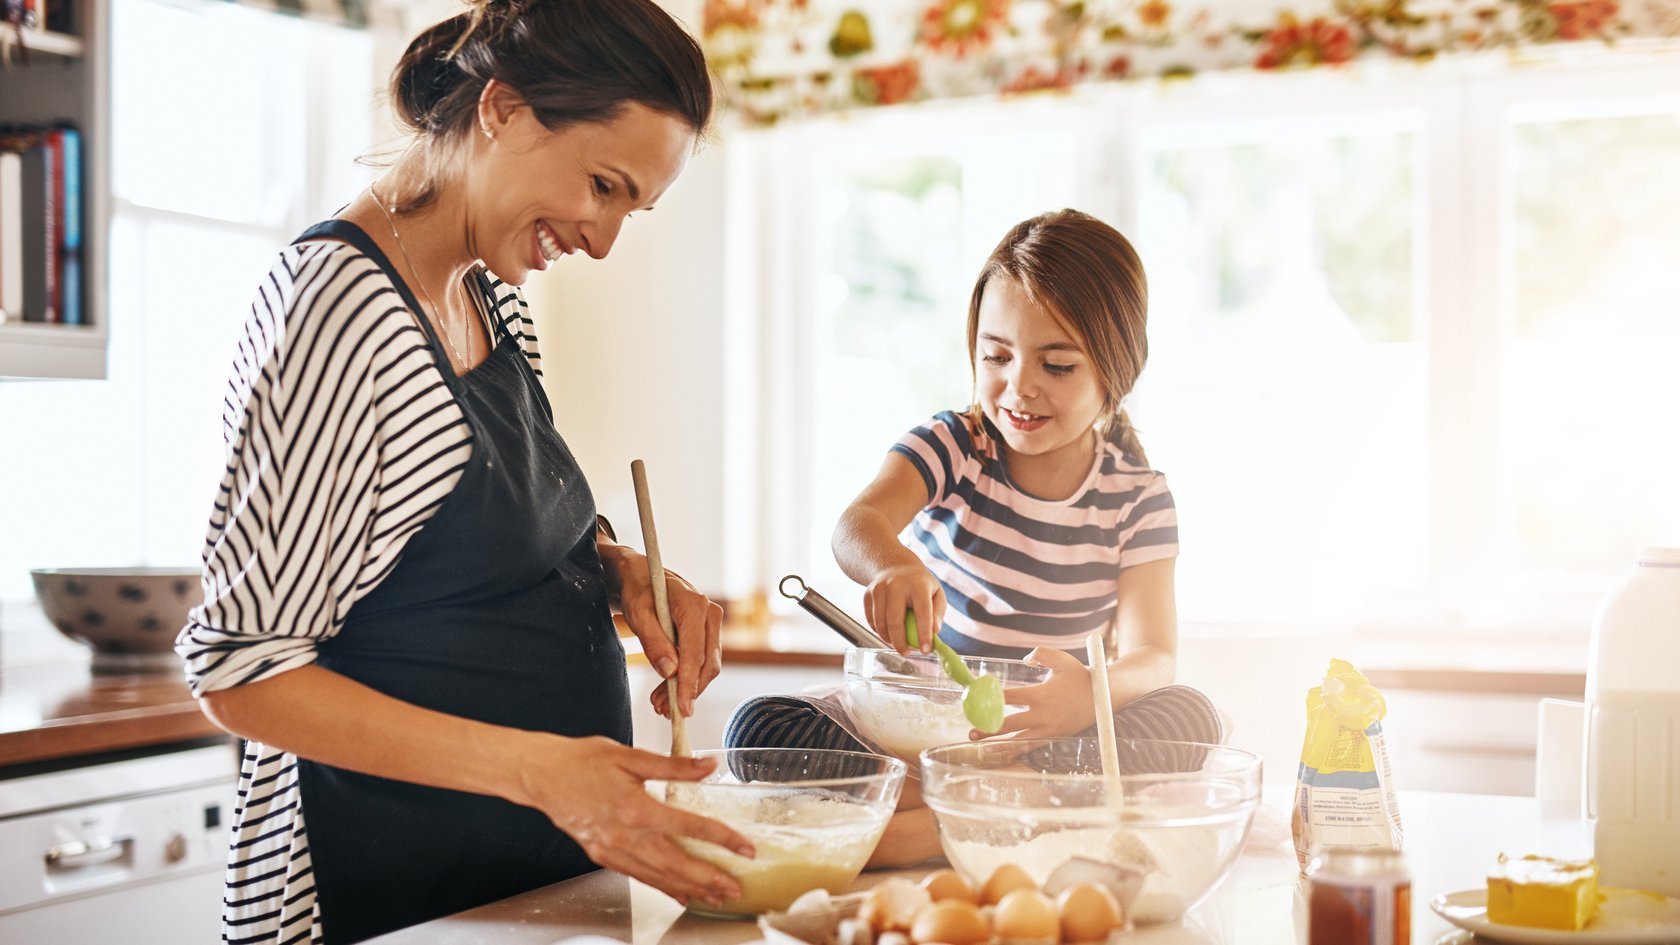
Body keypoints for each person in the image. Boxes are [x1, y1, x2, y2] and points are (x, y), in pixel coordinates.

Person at [174, 2, 754, 942]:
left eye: (630, 211)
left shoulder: (490, 294)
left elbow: (470, 539)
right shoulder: (337, 312)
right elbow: (241, 668)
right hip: (376, 889)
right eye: (602, 185)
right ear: (505, 110)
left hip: (511, 887)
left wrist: (617, 569)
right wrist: (542, 770)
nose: (603, 240)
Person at [725, 209, 1223, 865]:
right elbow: (857, 525)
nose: (1019, 386)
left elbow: (1154, 656)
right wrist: (892, 566)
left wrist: (1086, 695)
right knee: (757, 730)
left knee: (1190, 715)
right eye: (997, 355)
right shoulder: (955, 446)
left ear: (1116, 369)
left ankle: (913, 827)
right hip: (920, 736)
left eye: (1058, 364)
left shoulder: (1138, 497)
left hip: (1052, 738)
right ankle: (1006, 810)